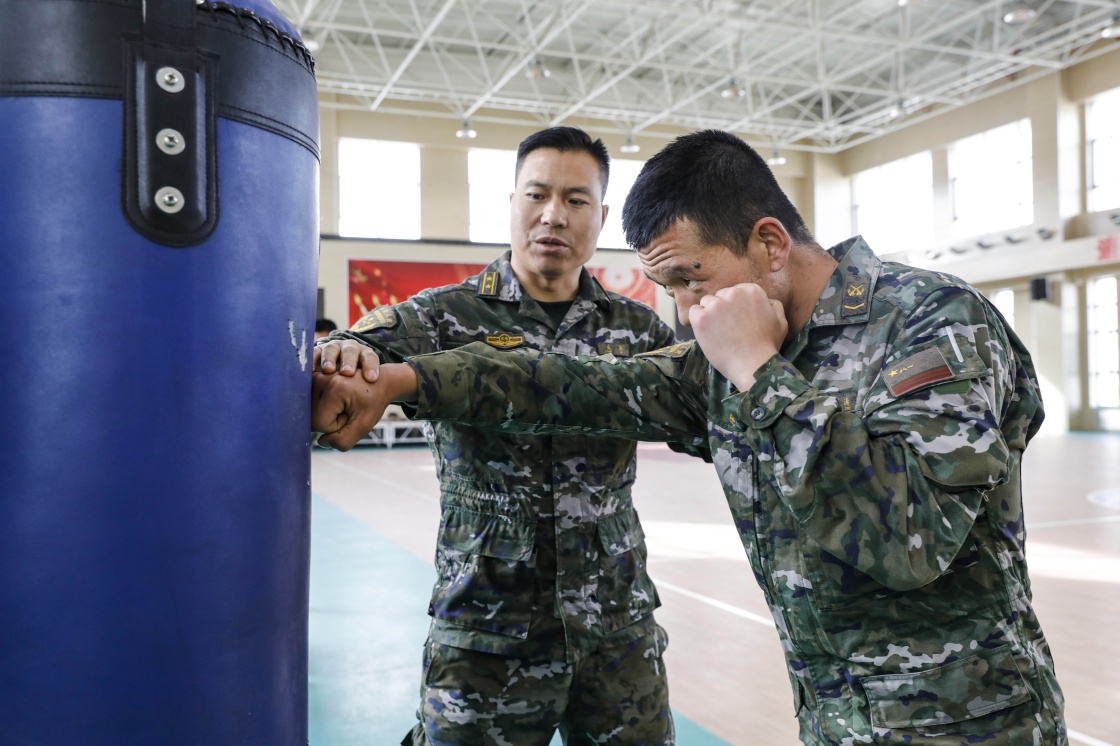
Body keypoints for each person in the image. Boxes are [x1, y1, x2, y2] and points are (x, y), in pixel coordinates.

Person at [312, 130, 1066, 745]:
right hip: (838, 719)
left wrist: (760, 371)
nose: (684, 309)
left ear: (770, 243)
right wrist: (404, 382)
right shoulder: (722, 356)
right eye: (669, 289)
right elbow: (573, 382)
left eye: (690, 280)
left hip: (975, 723)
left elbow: (909, 540)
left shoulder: (933, 323)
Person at [315, 127, 703, 745]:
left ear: (601, 216)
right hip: (485, 631)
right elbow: (355, 352)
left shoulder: (637, 329)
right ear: (513, 203)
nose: (554, 215)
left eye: (576, 201)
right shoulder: (444, 315)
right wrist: (341, 357)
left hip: (615, 629)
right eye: (537, 195)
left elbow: (699, 409)